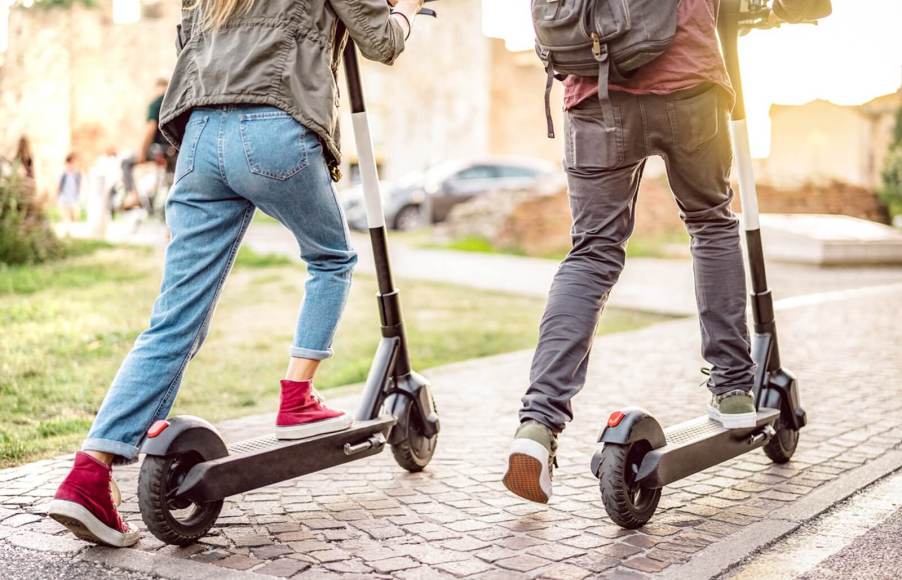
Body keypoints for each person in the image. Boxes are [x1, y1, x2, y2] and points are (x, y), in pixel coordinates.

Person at [48, 0, 425, 548]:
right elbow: (382, 40)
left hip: (199, 136)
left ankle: (89, 471)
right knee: (331, 258)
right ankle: (297, 398)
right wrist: (411, 11)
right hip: (274, 126)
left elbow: (187, 45)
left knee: (175, 318)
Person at [503, 0, 831, 505]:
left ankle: (537, 424)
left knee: (591, 253)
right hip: (688, 83)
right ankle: (734, 388)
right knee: (711, 223)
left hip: (595, 89)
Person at [120, 78, 172, 210]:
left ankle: (133, 195)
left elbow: (151, 128)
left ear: (158, 88)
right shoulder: (175, 102)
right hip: (175, 151)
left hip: (159, 149)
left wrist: (142, 152)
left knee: (126, 162)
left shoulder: (156, 104)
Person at [57, 153, 81, 223]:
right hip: (64, 195)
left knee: (75, 215)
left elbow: (79, 185)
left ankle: (74, 228)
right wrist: (57, 194)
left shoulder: (77, 173)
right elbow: (59, 184)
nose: (74, 164)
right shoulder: (64, 173)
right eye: (73, 162)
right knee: (65, 215)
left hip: (73, 196)